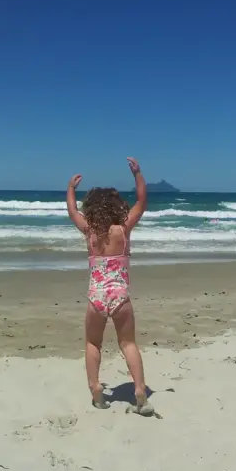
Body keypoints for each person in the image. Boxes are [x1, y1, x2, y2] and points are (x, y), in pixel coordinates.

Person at [65, 157, 153, 416]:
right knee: (128, 344)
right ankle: (140, 391)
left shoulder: (90, 231)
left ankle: (95, 389)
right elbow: (142, 203)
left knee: (93, 344)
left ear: (92, 209)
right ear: (117, 207)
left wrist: (70, 189)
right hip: (120, 297)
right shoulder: (123, 230)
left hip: (96, 298)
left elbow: (72, 212)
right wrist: (137, 174)